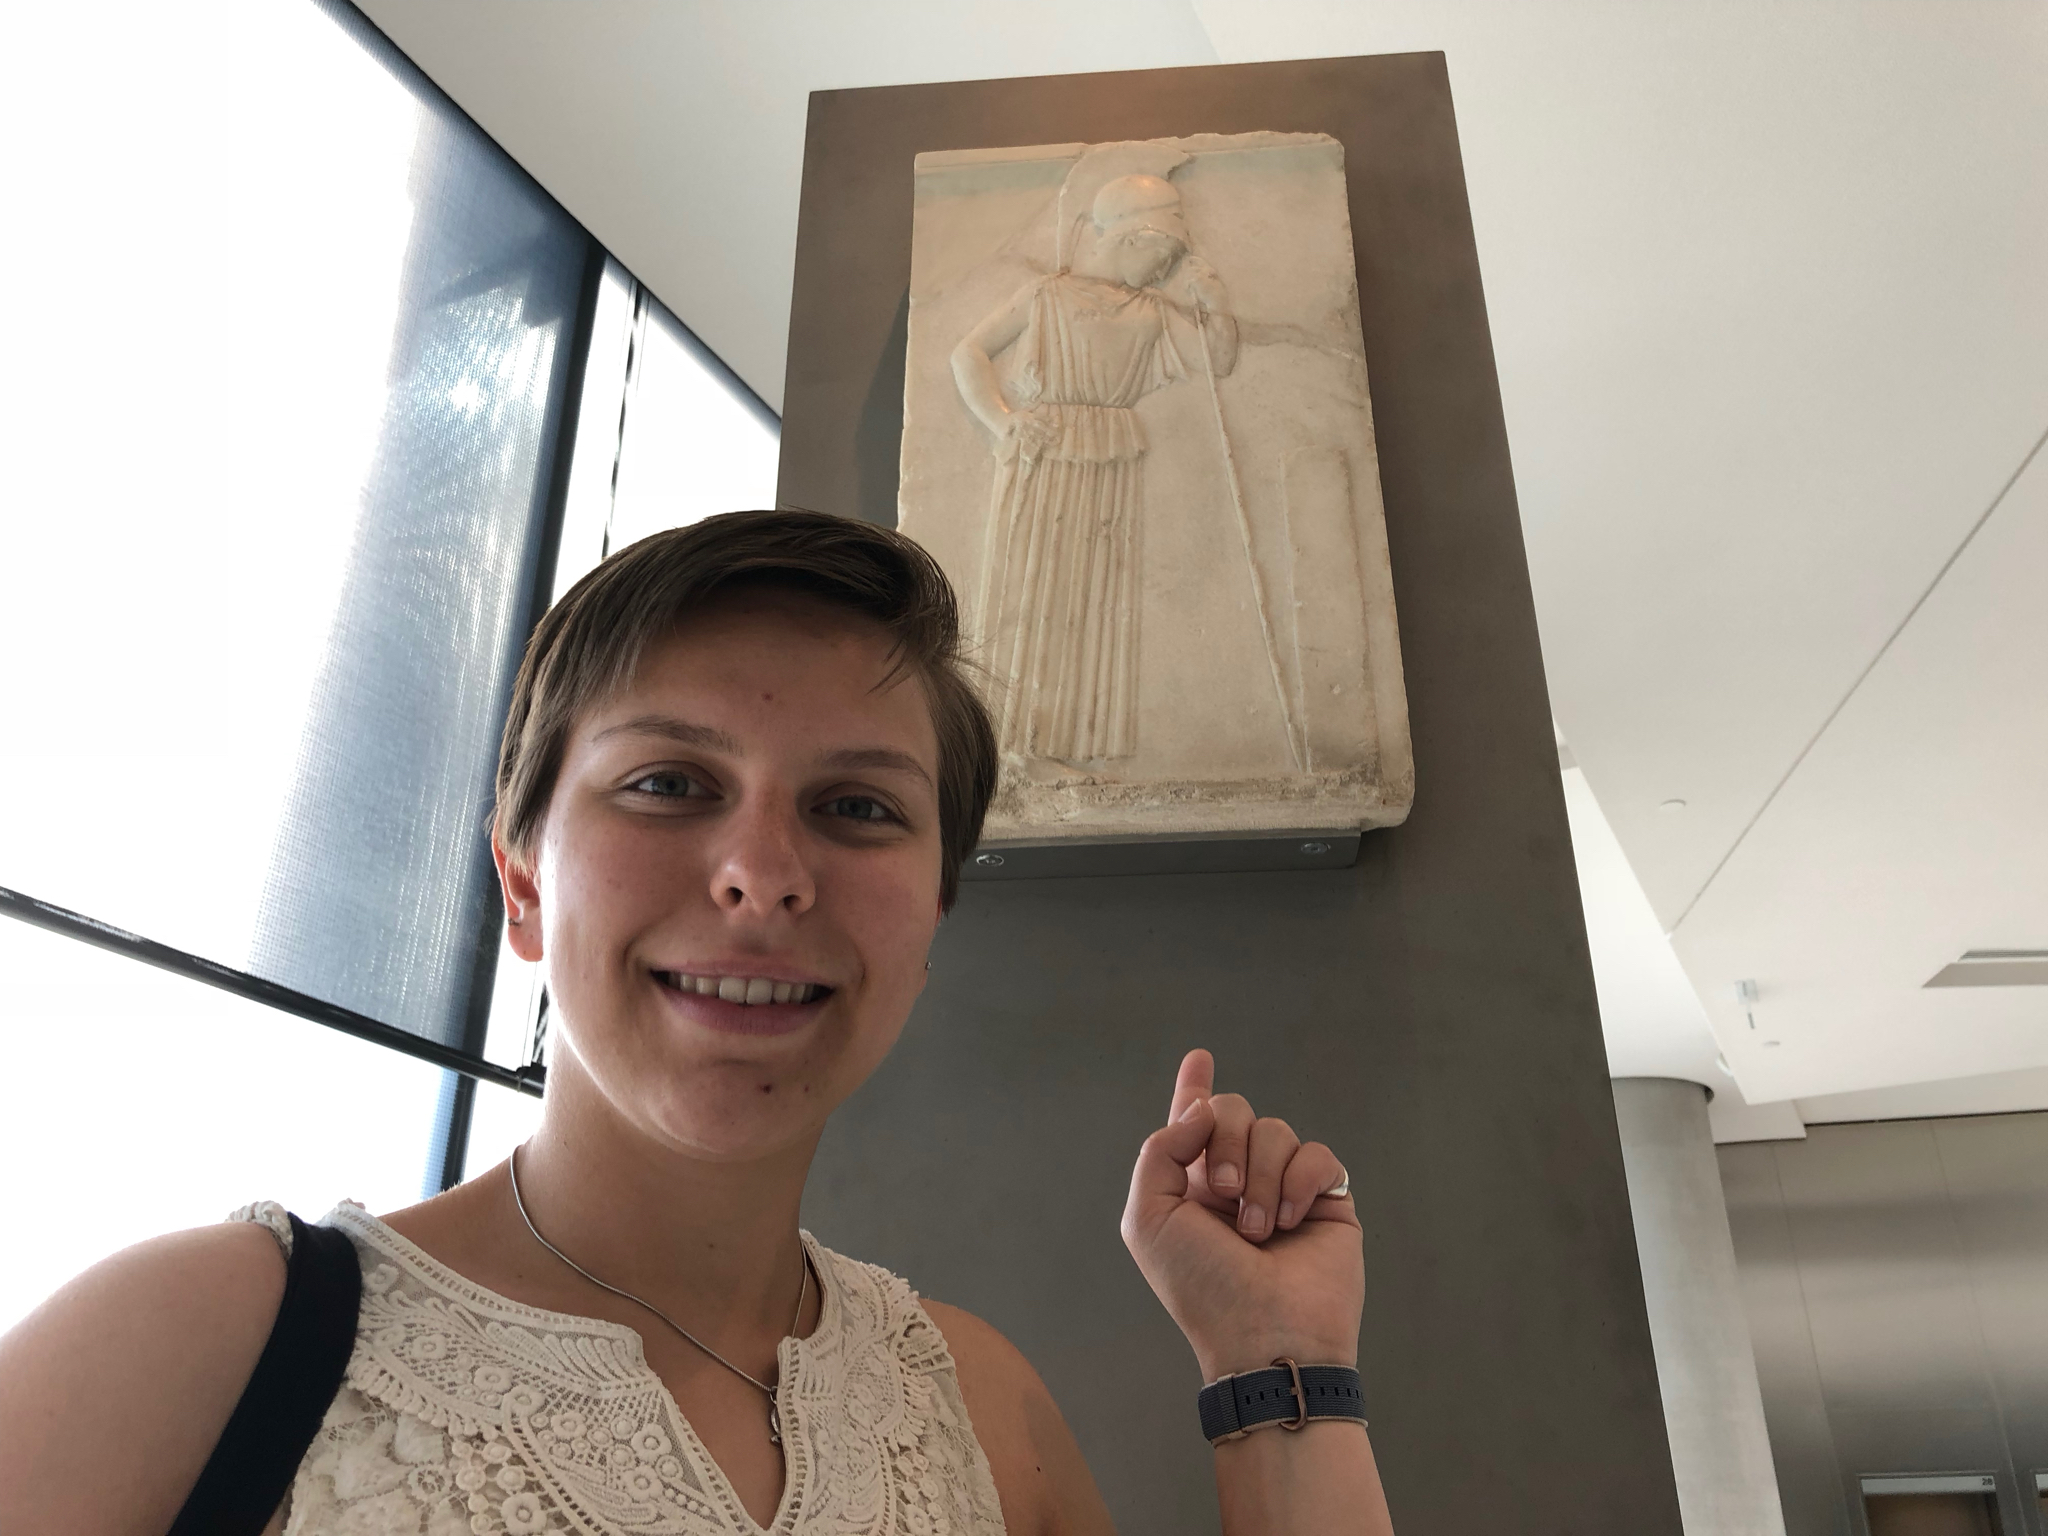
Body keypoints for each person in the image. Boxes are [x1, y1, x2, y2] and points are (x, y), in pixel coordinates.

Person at [0, 510, 1392, 1536]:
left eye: (857, 808)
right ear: (524, 884)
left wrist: (1276, 1364)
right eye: (669, 783)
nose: (764, 873)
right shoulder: (200, 1344)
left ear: (928, 930)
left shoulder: (979, 1404)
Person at [952, 173, 1237, 767]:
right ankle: (1012, 748)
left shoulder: (1151, 309)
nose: (1162, 272)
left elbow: (1218, 361)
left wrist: (1214, 305)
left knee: (1096, 599)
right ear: (1130, 240)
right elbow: (968, 351)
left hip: (1110, 452)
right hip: (1047, 449)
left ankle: (1073, 752)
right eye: (1160, 256)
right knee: (1035, 589)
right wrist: (1002, 420)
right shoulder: (1047, 295)